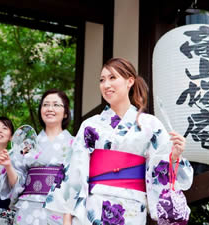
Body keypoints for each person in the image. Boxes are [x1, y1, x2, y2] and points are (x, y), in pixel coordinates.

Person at [44, 58, 194, 225]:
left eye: (112, 78)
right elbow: (74, 173)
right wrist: (68, 217)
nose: (106, 84)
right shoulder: (90, 126)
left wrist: (174, 156)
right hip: (95, 206)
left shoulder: (150, 124)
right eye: (102, 80)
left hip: (133, 206)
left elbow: (161, 166)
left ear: (130, 81)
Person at [0, 89, 74, 225]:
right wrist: (8, 166)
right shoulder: (26, 145)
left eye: (56, 105)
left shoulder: (75, 144)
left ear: (66, 112)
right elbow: (16, 184)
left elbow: (78, 183)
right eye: (45, 105)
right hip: (28, 209)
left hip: (60, 209)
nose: (50, 109)